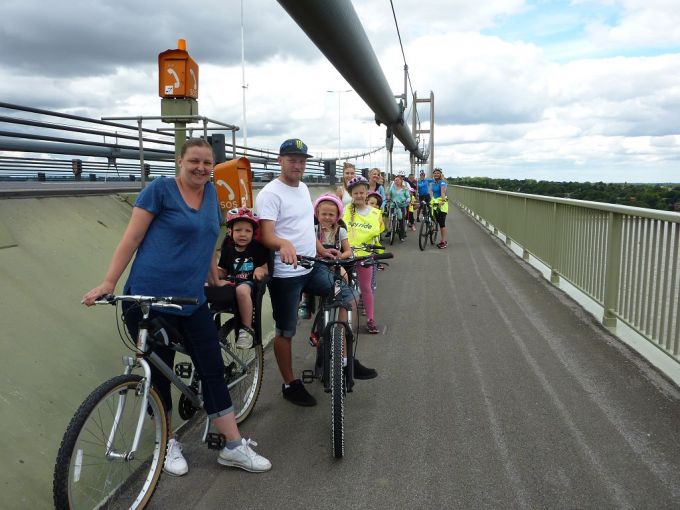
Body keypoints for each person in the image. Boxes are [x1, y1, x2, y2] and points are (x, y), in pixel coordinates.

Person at [82, 139, 271, 476]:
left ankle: (232, 446)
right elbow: (132, 238)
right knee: (160, 374)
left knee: (212, 367)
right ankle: (167, 443)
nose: (201, 168)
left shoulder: (211, 193)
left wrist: (214, 276)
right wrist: (109, 283)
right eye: (194, 161)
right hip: (149, 300)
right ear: (179, 160)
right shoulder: (160, 190)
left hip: (190, 300)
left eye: (207, 162)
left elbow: (208, 238)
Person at [256, 138, 377, 408]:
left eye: (302, 160)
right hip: (286, 274)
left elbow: (304, 228)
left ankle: (343, 357)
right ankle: (290, 384)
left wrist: (321, 249)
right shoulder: (270, 194)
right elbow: (266, 235)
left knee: (345, 296)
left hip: (311, 265)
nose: (298, 165)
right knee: (285, 330)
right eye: (292, 160)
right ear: (280, 160)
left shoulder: (301, 189)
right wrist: (283, 243)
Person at [217, 207, 269, 349]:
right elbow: (224, 270)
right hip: (231, 281)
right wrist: (215, 273)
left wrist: (260, 269)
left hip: (248, 283)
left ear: (253, 233)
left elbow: (265, 268)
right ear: (230, 232)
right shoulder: (227, 248)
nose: (243, 234)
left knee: (241, 290)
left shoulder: (257, 248)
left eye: (248, 231)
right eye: (238, 230)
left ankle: (247, 329)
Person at [342, 175, 384, 334]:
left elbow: (377, 236)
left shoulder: (375, 213)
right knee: (341, 287)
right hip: (346, 255)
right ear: (351, 194)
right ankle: (342, 320)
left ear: (367, 193)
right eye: (356, 193)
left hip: (365, 255)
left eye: (362, 192)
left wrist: (378, 254)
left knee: (366, 287)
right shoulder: (345, 211)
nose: (359, 196)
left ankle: (370, 320)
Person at [387, 174, 410, 242]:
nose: (396, 181)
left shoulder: (405, 188)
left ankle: (402, 236)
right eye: (395, 180)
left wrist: (407, 200)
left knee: (401, 221)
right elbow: (389, 194)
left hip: (401, 206)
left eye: (397, 180)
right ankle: (391, 229)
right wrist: (388, 197)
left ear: (401, 181)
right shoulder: (392, 188)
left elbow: (408, 196)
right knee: (391, 218)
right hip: (393, 205)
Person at [431, 167, 449, 249]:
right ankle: (433, 229)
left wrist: (442, 201)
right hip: (434, 203)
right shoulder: (434, 182)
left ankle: (443, 241)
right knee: (434, 219)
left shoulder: (442, 182)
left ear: (440, 174)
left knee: (442, 224)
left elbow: (442, 192)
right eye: (435, 173)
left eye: (438, 173)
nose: (436, 174)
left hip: (441, 204)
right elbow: (433, 193)